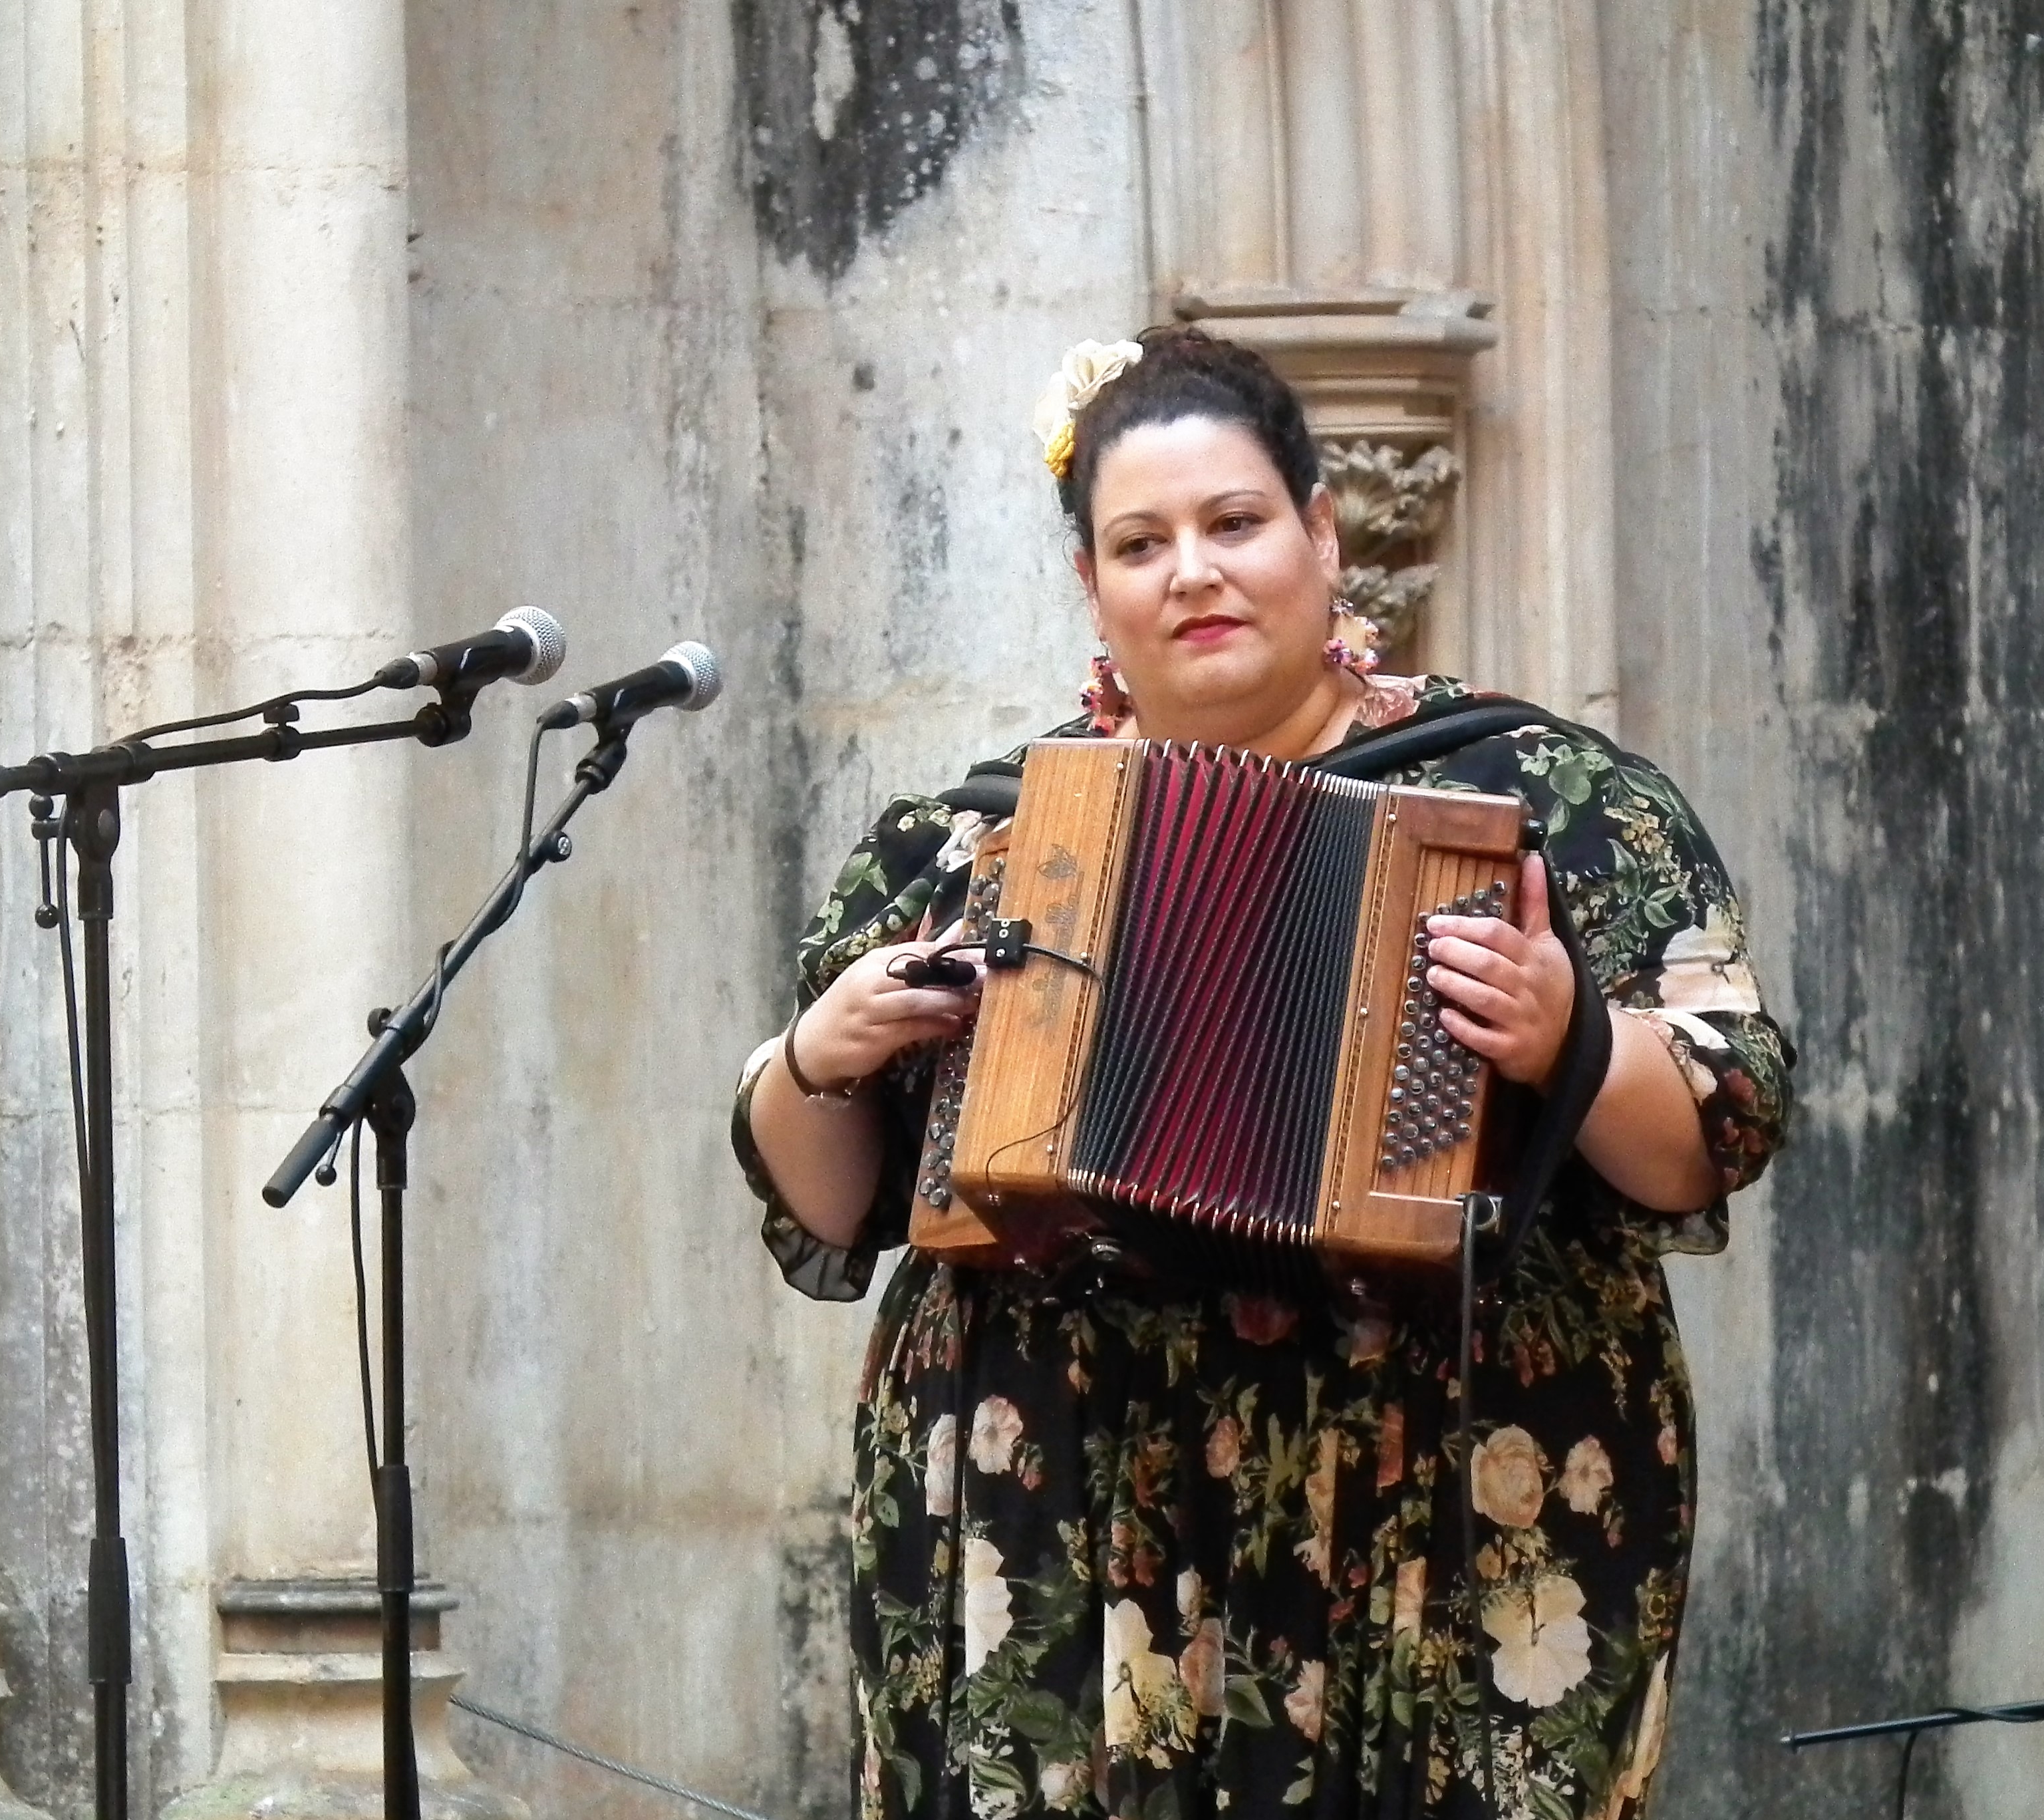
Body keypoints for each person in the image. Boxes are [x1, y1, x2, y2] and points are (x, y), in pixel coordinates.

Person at [734, 326, 1791, 1820]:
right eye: (1140, 543)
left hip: (1442, 1477)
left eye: (1234, 523)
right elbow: (833, 1207)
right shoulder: (970, 838)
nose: (1193, 572)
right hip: (1066, 1488)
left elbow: (1713, 1134)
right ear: (1091, 584)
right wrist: (812, 1061)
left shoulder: (1545, 798)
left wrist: (1571, 1038)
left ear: (1323, 532)